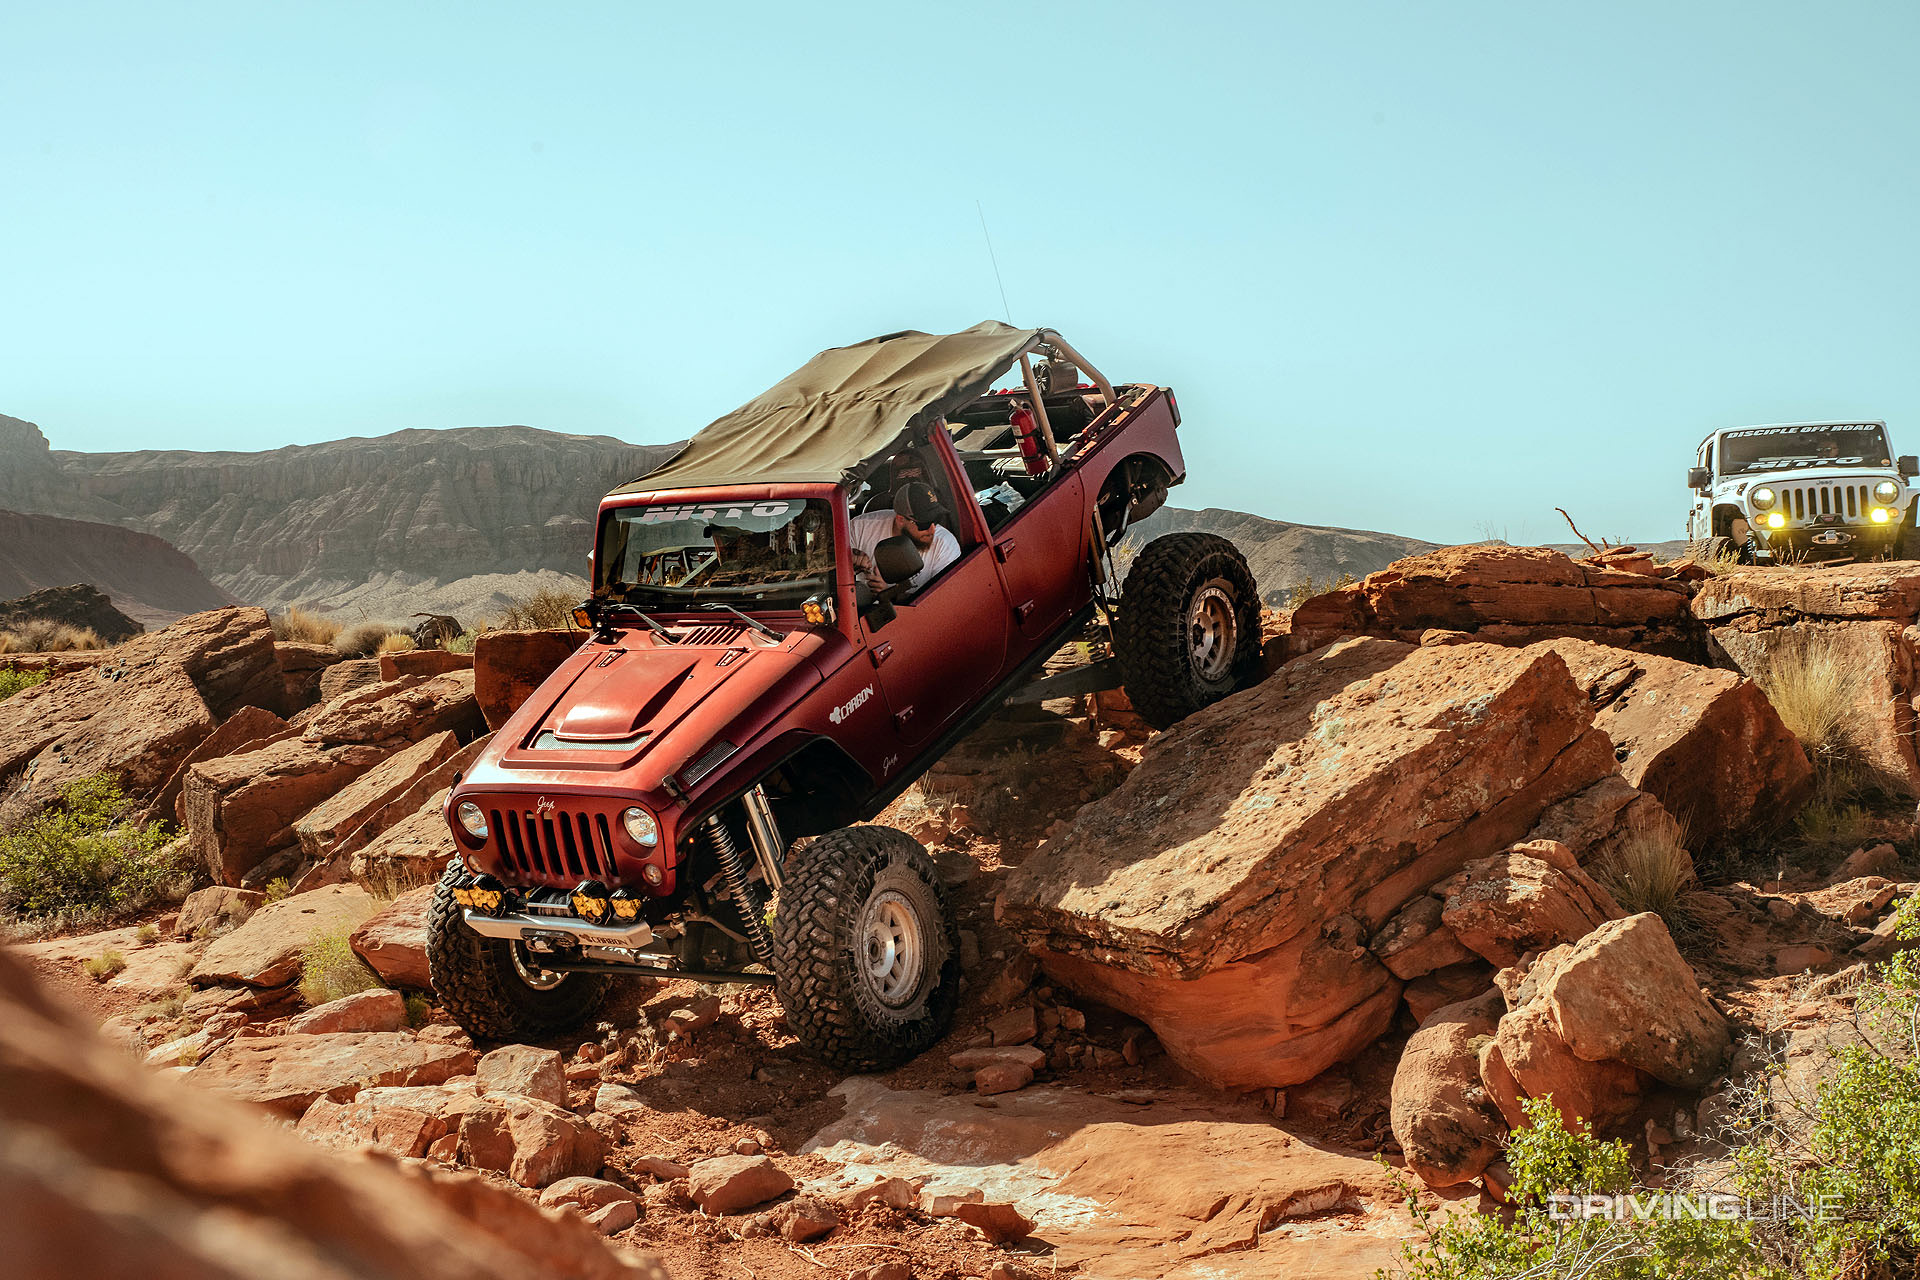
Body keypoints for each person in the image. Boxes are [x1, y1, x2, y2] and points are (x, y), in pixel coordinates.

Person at [848, 482, 959, 593]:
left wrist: (891, 593)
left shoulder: (945, 545)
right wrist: (850, 559)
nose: (932, 530)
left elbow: (943, 600)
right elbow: (833, 567)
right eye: (923, 524)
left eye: (935, 521)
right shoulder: (860, 529)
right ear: (900, 519)